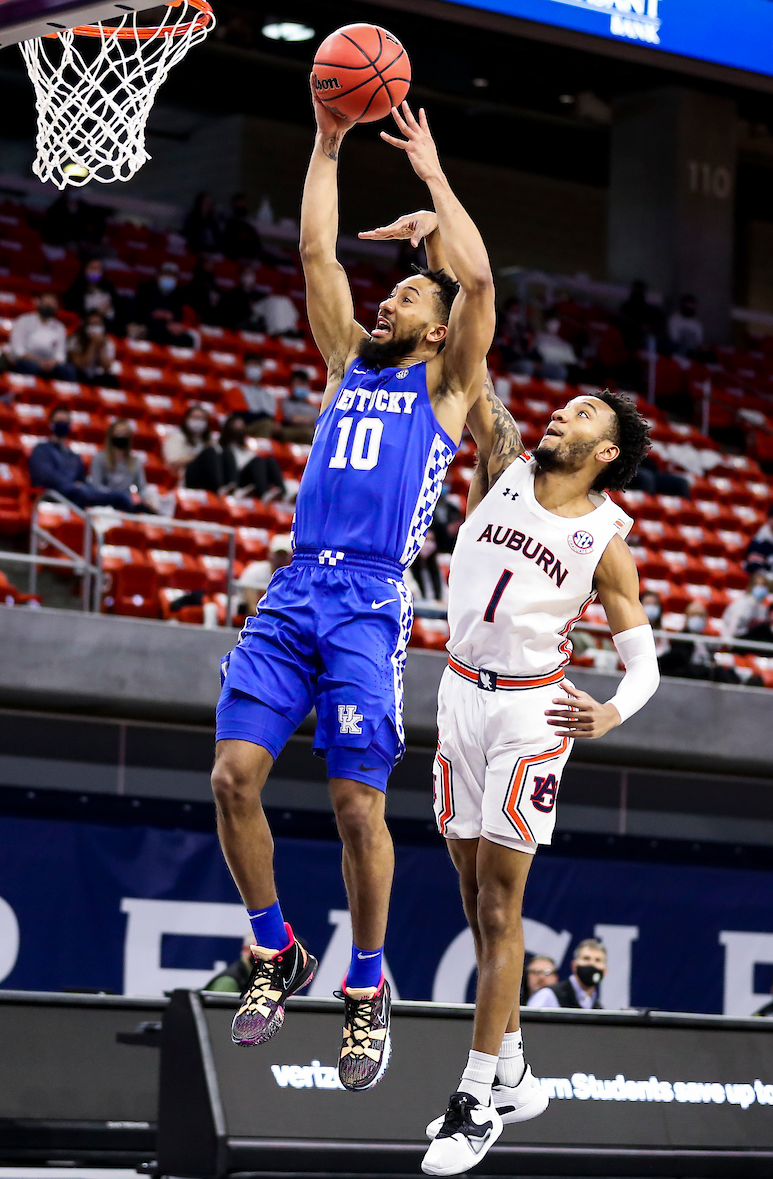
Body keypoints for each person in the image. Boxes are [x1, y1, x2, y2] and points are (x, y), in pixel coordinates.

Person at [211, 100, 495, 1097]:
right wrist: (327, 144)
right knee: (231, 778)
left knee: (350, 802)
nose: (387, 307)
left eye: (408, 301)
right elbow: (313, 249)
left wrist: (431, 178)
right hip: (294, 593)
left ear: (437, 325)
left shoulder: (447, 391)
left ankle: (367, 985)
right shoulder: (344, 367)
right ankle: (273, 949)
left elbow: (479, 279)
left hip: (370, 605)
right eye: (389, 301)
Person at [421, 363, 659, 1172]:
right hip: (457, 695)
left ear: (606, 450)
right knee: (469, 889)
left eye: (582, 413)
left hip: (532, 713)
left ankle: (475, 1100)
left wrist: (611, 712)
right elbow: (469, 354)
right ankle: (517, 1068)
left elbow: (644, 667)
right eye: (564, 407)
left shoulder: (607, 541)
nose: (560, 415)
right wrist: (443, 258)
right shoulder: (504, 464)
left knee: (497, 904)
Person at [29, 405, 137, 511]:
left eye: (66, 422)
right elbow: (45, 476)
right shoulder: (41, 450)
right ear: (51, 424)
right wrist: (72, 485)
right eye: (60, 421)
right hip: (55, 494)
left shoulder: (73, 456)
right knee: (81, 492)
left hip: (78, 494)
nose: (63, 425)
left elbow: (82, 479)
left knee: (119, 496)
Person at [9, 293, 77, 381]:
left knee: (69, 370)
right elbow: (18, 350)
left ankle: (69, 394)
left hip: (50, 364)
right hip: (27, 360)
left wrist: (51, 362)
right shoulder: (24, 320)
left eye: (51, 305)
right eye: (45, 304)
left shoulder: (59, 327)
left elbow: (61, 355)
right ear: (39, 304)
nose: (48, 307)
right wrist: (38, 361)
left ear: (57, 308)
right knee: (31, 366)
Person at [218, 414, 285, 501]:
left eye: (241, 425)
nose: (240, 428)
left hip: (249, 477)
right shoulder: (222, 448)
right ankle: (263, 493)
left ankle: (283, 492)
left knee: (270, 461)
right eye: (236, 425)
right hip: (235, 477)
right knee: (258, 461)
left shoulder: (246, 450)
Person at [90, 419, 152, 509]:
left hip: (127, 505)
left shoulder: (135, 462)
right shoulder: (99, 458)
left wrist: (142, 498)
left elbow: (142, 488)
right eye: (119, 433)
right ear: (111, 436)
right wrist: (117, 496)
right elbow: (96, 485)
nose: (122, 436)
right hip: (103, 503)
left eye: (125, 433)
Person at [527, 941, 606, 1010]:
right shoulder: (550, 995)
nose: (592, 964)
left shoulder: (597, 1006)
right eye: (586, 959)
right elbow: (528, 1024)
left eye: (598, 960)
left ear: (605, 970)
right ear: (574, 966)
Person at [132, 262, 193, 346]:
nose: (169, 278)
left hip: (168, 332)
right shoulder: (146, 291)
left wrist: (174, 325)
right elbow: (138, 314)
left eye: (172, 275)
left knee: (188, 339)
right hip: (149, 327)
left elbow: (178, 319)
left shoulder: (178, 296)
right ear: (158, 275)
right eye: (166, 274)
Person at [223, 353, 278, 436]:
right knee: (267, 424)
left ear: (262, 368)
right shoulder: (236, 390)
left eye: (257, 365)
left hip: (267, 426)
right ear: (244, 367)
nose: (254, 369)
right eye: (251, 365)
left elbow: (274, 417)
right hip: (246, 427)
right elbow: (240, 415)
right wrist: (263, 416)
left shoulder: (269, 394)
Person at [237, 534, 292, 617]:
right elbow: (251, 604)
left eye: (283, 555)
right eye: (278, 554)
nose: (280, 559)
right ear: (270, 554)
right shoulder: (254, 571)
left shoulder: (291, 577)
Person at [162, 405, 217, 486]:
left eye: (201, 419)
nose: (198, 421)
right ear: (186, 419)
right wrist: (200, 457)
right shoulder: (177, 438)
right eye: (195, 417)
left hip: (207, 479)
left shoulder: (211, 441)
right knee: (209, 453)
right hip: (186, 478)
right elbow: (173, 465)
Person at [63, 259, 116, 328]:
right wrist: (96, 312)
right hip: (84, 327)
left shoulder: (109, 287)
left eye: (98, 269)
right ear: (84, 269)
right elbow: (73, 313)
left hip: (108, 327)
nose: (95, 271)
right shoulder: (75, 289)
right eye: (93, 268)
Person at [67, 313, 117, 386]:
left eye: (98, 325)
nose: (95, 328)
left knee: (111, 379)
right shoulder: (76, 339)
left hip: (96, 376)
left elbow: (107, 368)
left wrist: (101, 347)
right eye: (92, 324)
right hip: (79, 374)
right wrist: (92, 346)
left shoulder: (108, 342)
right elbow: (79, 365)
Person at [722, 572, 770, 641]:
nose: (762, 588)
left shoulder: (762, 608)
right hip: (737, 640)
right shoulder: (742, 603)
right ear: (751, 586)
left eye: (764, 586)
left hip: (752, 640)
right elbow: (733, 629)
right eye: (759, 585)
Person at [278, 368, 318, 444]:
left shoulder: (312, 406)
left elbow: (317, 421)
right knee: (309, 434)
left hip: (308, 431)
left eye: (304, 384)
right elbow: (293, 419)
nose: (302, 386)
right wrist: (309, 420)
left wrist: (304, 419)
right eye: (299, 384)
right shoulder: (286, 402)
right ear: (292, 385)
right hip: (291, 430)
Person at [180, 257, 223, 326]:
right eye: (207, 266)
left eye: (212, 266)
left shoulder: (214, 286)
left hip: (213, 321)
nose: (210, 268)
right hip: (196, 321)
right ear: (201, 266)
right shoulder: (193, 285)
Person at [217, 265, 262, 331]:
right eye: (245, 274)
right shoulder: (231, 295)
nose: (248, 277)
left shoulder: (259, 296)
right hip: (236, 331)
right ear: (240, 276)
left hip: (255, 331)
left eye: (251, 274)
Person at [222, 192, 262, 261]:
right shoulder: (228, 224)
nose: (244, 206)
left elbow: (256, 245)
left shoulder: (249, 227)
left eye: (245, 204)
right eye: (241, 203)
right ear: (234, 205)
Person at [183, 191, 225, 256]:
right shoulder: (192, 218)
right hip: (198, 251)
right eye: (206, 202)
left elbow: (217, 237)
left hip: (213, 251)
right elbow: (191, 236)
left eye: (210, 202)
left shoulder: (214, 220)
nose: (209, 204)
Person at [667, 294, 704, 358]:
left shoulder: (697, 323)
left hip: (693, 352)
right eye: (688, 305)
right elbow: (674, 339)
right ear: (682, 305)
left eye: (692, 306)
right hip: (677, 351)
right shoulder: (674, 319)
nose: (690, 307)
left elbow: (699, 342)